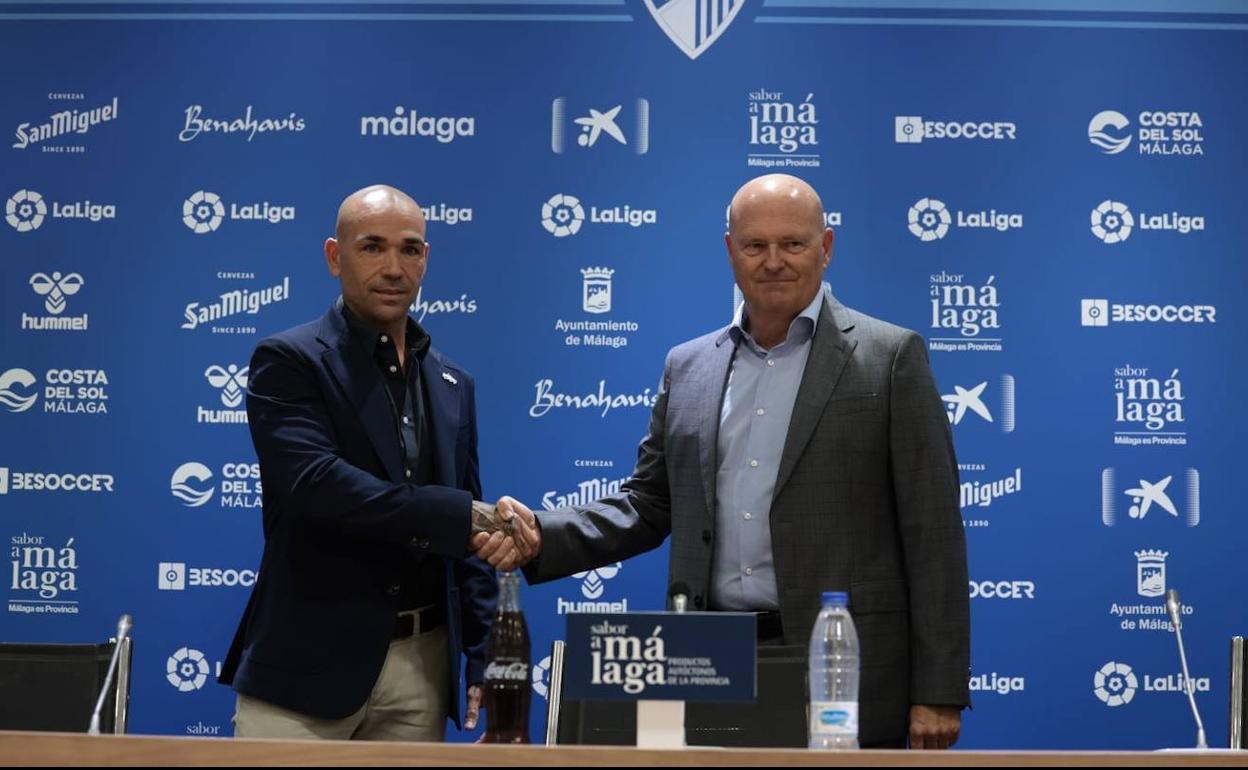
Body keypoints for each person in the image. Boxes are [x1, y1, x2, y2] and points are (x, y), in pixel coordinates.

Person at [476, 173, 970, 749]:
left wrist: (937, 689)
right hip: (707, 660)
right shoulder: (689, 367)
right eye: (755, 245)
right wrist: (544, 534)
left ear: (827, 247)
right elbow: (649, 502)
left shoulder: (889, 358)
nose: (774, 261)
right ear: (730, 250)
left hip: (840, 666)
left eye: (793, 244)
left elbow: (932, 531)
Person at [221, 184, 525, 741]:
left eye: (410, 249)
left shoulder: (454, 383)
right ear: (335, 257)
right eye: (372, 247)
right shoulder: (289, 360)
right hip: (304, 666)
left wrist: (483, 655)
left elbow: (471, 539)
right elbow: (318, 487)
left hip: (422, 671)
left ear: (426, 261)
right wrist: (459, 516)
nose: (393, 267)